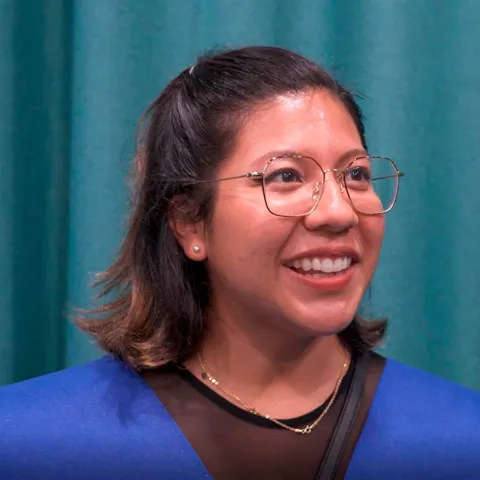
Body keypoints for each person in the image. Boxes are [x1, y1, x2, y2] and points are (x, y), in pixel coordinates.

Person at [1, 46, 479, 480]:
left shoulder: (460, 439)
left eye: (356, 174)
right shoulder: (31, 442)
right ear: (189, 222)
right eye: (286, 176)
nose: (339, 212)